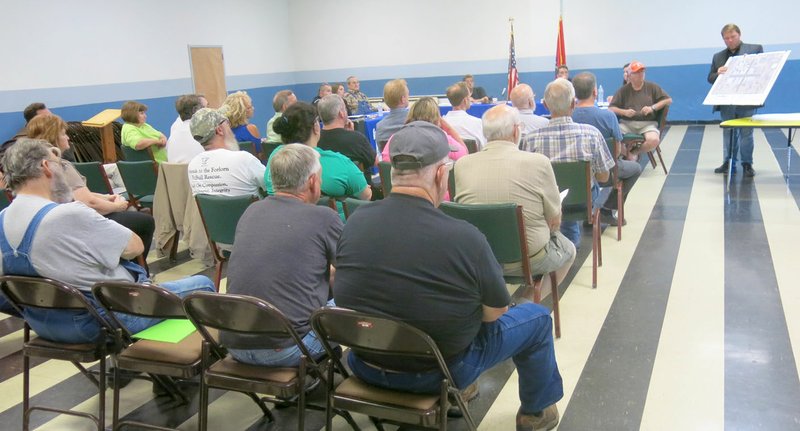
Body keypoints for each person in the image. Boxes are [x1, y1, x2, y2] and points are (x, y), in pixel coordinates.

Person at [335, 121, 563, 431]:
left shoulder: (356, 220)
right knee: (536, 319)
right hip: (438, 372)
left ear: (393, 173)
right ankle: (535, 415)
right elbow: (495, 313)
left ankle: (459, 394)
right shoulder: (464, 236)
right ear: (442, 174)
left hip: (365, 364)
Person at [0, 138, 214, 339]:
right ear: (46, 167)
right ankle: (181, 362)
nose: (62, 172)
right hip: (105, 320)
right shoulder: (68, 214)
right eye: (60, 165)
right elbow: (135, 247)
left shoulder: (2, 219)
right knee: (202, 285)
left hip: (45, 325)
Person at [224, 144, 342, 366]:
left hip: (235, 344)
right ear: (313, 182)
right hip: (288, 349)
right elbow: (352, 272)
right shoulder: (324, 217)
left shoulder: (252, 211)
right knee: (353, 299)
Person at [455, 104, 576, 299]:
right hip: (529, 259)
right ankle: (524, 305)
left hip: (477, 259)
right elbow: (554, 221)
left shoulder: (462, 165)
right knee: (568, 250)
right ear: (515, 130)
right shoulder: (538, 162)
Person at [27, 114, 156, 258]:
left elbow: (75, 193)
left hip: (54, 223)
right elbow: (89, 203)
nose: (68, 138)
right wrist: (117, 206)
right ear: (53, 138)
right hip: (77, 223)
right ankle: (136, 270)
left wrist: (105, 197)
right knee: (144, 222)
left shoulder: (32, 167)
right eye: (64, 134)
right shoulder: (61, 166)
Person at [523, 79, 616, 247]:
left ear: (544, 105)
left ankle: (562, 240)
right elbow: (603, 177)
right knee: (584, 187)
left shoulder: (530, 140)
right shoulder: (591, 134)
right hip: (582, 201)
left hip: (545, 203)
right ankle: (570, 242)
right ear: (574, 103)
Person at [266, 102, 372, 216]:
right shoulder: (337, 161)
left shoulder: (275, 157)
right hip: (337, 228)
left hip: (285, 223)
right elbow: (365, 196)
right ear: (316, 127)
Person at [572, 71, 642, 223]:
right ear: (595, 92)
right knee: (635, 169)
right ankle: (607, 209)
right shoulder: (608, 117)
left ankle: (585, 209)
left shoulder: (569, 116)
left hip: (575, 174)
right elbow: (616, 151)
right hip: (605, 173)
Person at [709, 23, 764, 177]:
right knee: (728, 133)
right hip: (726, 102)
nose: (730, 40)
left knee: (747, 133)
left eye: (732, 37)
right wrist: (717, 73)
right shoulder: (718, 56)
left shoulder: (755, 49)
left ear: (739, 35)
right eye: (726, 38)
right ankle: (728, 162)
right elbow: (710, 77)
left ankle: (747, 164)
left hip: (746, 100)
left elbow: (762, 71)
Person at [187, 107, 266, 197]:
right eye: (227, 123)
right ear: (219, 130)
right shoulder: (244, 160)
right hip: (250, 211)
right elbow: (274, 186)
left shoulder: (192, 166)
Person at [608, 61, 672, 161]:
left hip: (648, 124)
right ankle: (627, 153)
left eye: (642, 72)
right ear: (630, 75)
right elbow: (611, 108)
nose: (640, 75)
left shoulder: (652, 87)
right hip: (627, 124)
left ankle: (634, 152)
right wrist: (624, 112)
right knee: (611, 138)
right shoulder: (623, 90)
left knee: (654, 140)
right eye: (637, 72)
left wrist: (652, 108)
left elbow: (668, 100)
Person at [381, 96, 467, 165]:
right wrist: (447, 127)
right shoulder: (441, 137)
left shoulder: (395, 138)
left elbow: (386, 162)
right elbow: (464, 154)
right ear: (437, 118)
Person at [317, 94, 377, 171]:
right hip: (357, 182)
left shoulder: (316, 141)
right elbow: (376, 162)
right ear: (341, 113)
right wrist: (352, 135)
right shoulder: (357, 139)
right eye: (345, 109)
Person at [442, 82, 487, 149]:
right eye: (469, 97)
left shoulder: (441, 124)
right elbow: (484, 148)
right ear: (465, 100)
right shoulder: (477, 123)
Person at [166, 94, 207, 163]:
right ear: (195, 110)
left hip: (176, 172)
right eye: (203, 108)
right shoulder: (202, 132)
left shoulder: (172, 136)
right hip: (198, 171)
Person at [222, 90, 262, 155]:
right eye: (249, 107)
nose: (253, 108)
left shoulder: (222, 133)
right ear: (241, 112)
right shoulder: (251, 129)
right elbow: (259, 154)